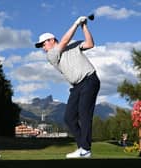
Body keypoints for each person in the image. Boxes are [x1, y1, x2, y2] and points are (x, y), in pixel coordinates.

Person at [35, 16, 100, 158]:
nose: (43, 48)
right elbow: (64, 41)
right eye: (41, 46)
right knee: (69, 118)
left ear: (51, 40)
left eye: (43, 44)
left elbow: (90, 44)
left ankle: (85, 149)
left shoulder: (73, 45)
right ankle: (82, 148)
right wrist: (76, 23)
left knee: (84, 114)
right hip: (77, 86)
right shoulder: (52, 55)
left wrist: (84, 26)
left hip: (90, 79)